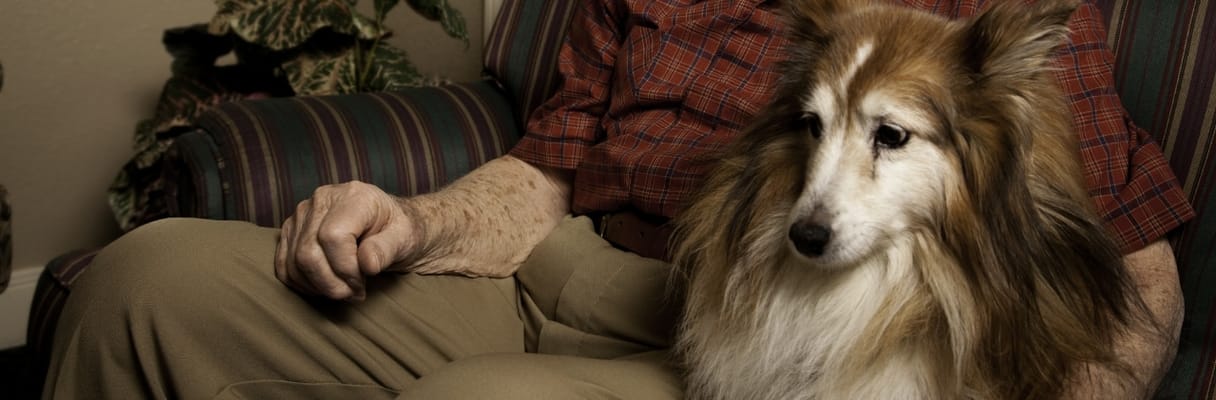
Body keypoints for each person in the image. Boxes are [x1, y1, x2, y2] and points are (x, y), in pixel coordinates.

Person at [43, 0, 1193, 398]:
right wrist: (416, 221)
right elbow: (542, 165)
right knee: (143, 286)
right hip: (547, 265)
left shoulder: (1002, 34)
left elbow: (1135, 268)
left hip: (717, 335)